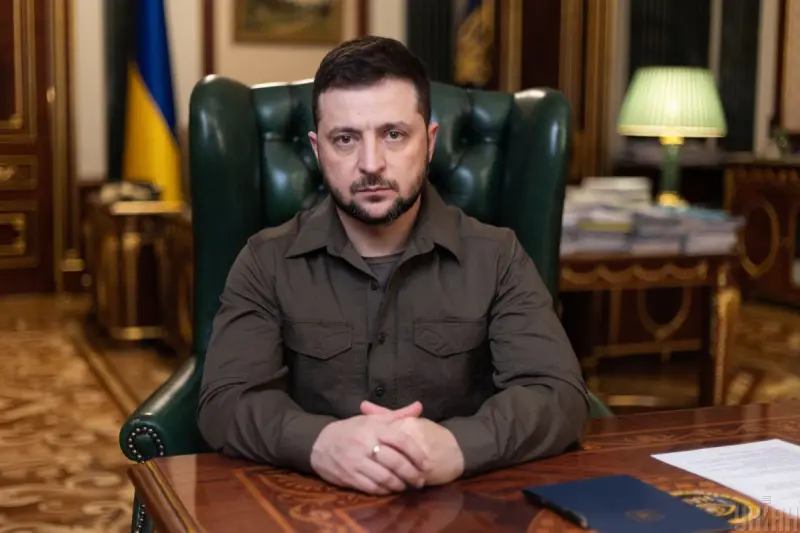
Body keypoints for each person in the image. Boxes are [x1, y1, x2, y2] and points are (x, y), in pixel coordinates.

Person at [197, 35, 589, 496]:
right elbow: (224, 402)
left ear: (430, 142)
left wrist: (458, 446)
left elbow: (558, 395)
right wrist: (319, 442)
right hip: (308, 505)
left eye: (394, 135)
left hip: (466, 502)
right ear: (318, 149)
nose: (371, 164)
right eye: (345, 139)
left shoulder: (498, 255)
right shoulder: (265, 260)